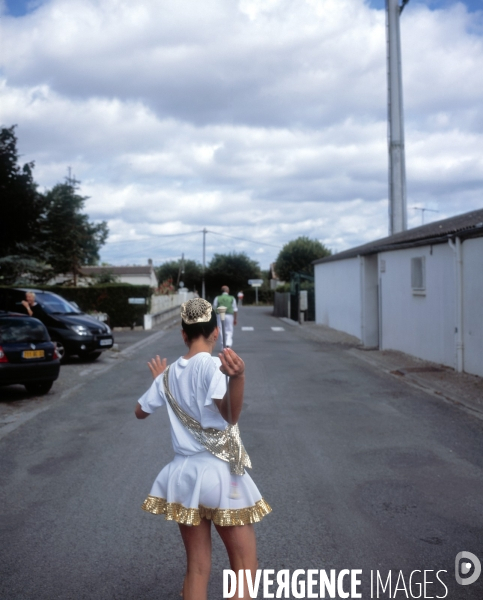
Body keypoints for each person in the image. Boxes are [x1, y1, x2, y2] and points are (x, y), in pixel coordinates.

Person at [135, 298, 271, 600]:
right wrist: (238, 377)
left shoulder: (168, 375)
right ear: (216, 333)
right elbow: (230, 415)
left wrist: (160, 383)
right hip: (219, 475)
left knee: (196, 568)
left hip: (183, 476)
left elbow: (139, 411)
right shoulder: (212, 366)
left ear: (183, 335)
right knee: (244, 565)